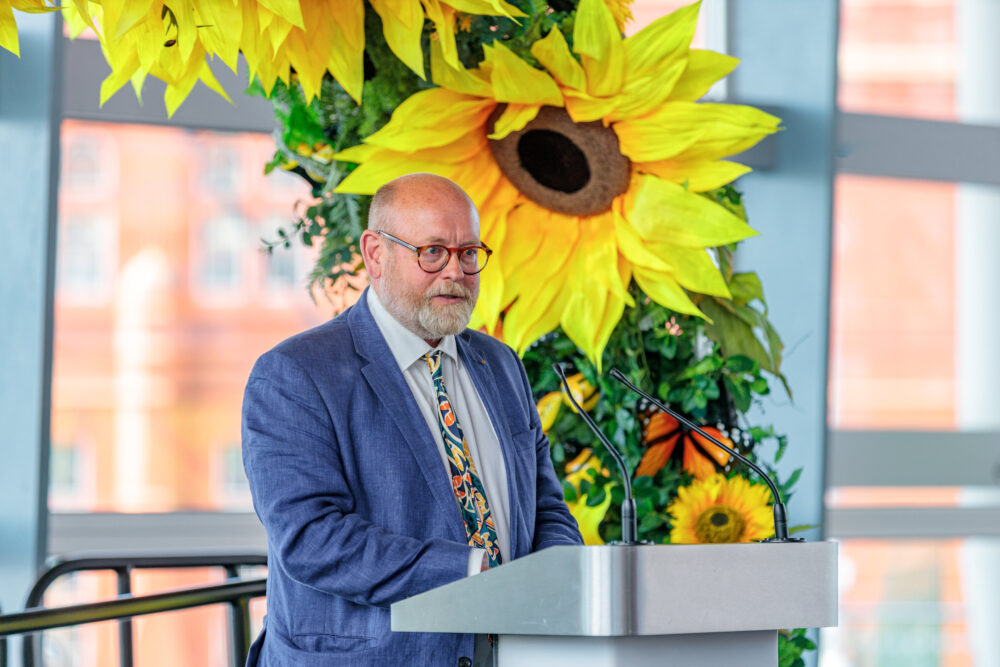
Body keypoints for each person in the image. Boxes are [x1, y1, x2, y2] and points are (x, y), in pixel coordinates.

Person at [241, 173, 584, 665]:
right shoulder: (295, 374)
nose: (455, 272)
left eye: (469, 253)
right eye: (433, 252)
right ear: (375, 254)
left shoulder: (501, 364)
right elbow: (311, 539)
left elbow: (546, 508)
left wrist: (555, 575)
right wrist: (472, 572)